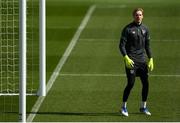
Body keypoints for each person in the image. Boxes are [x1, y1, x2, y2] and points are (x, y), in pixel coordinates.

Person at [119, 8, 154, 117]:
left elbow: (147, 46)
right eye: (136, 15)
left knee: (146, 84)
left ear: (142, 16)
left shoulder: (145, 29)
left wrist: (151, 58)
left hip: (142, 61)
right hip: (132, 61)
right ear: (133, 16)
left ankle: (143, 107)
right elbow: (121, 45)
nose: (138, 16)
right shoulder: (127, 29)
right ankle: (123, 107)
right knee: (130, 84)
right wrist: (126, 57)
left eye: (140, 15)